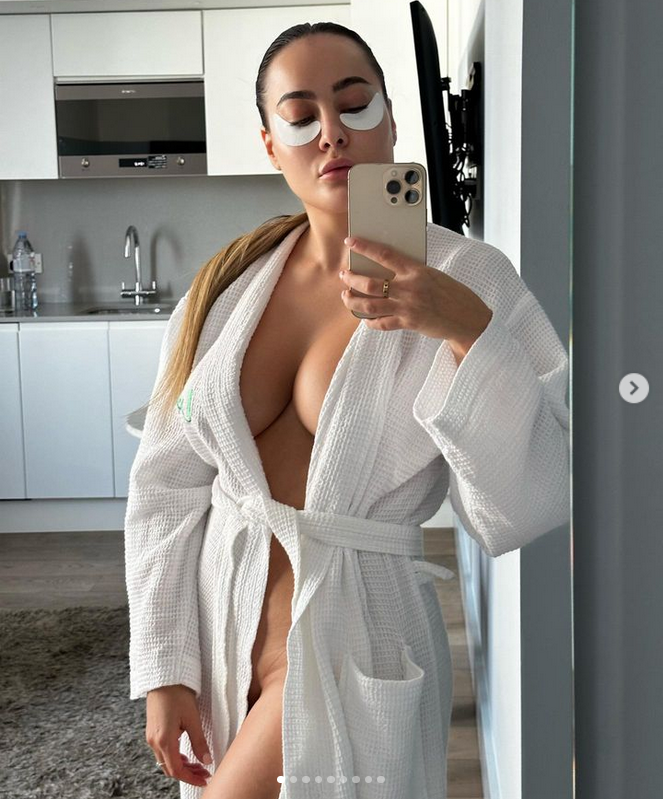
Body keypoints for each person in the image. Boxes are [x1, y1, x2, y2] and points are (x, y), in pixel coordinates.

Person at [123, 21, 570, 799]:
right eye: (300, 116)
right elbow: (165, 486)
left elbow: (525, 500)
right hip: (223, 631)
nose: (331, 132)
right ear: (271, 146)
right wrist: (165, 668)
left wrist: (466, 330)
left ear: (390, 122)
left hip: (353, 633)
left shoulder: (468, 276)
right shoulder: (225, 289)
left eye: (354, 104)